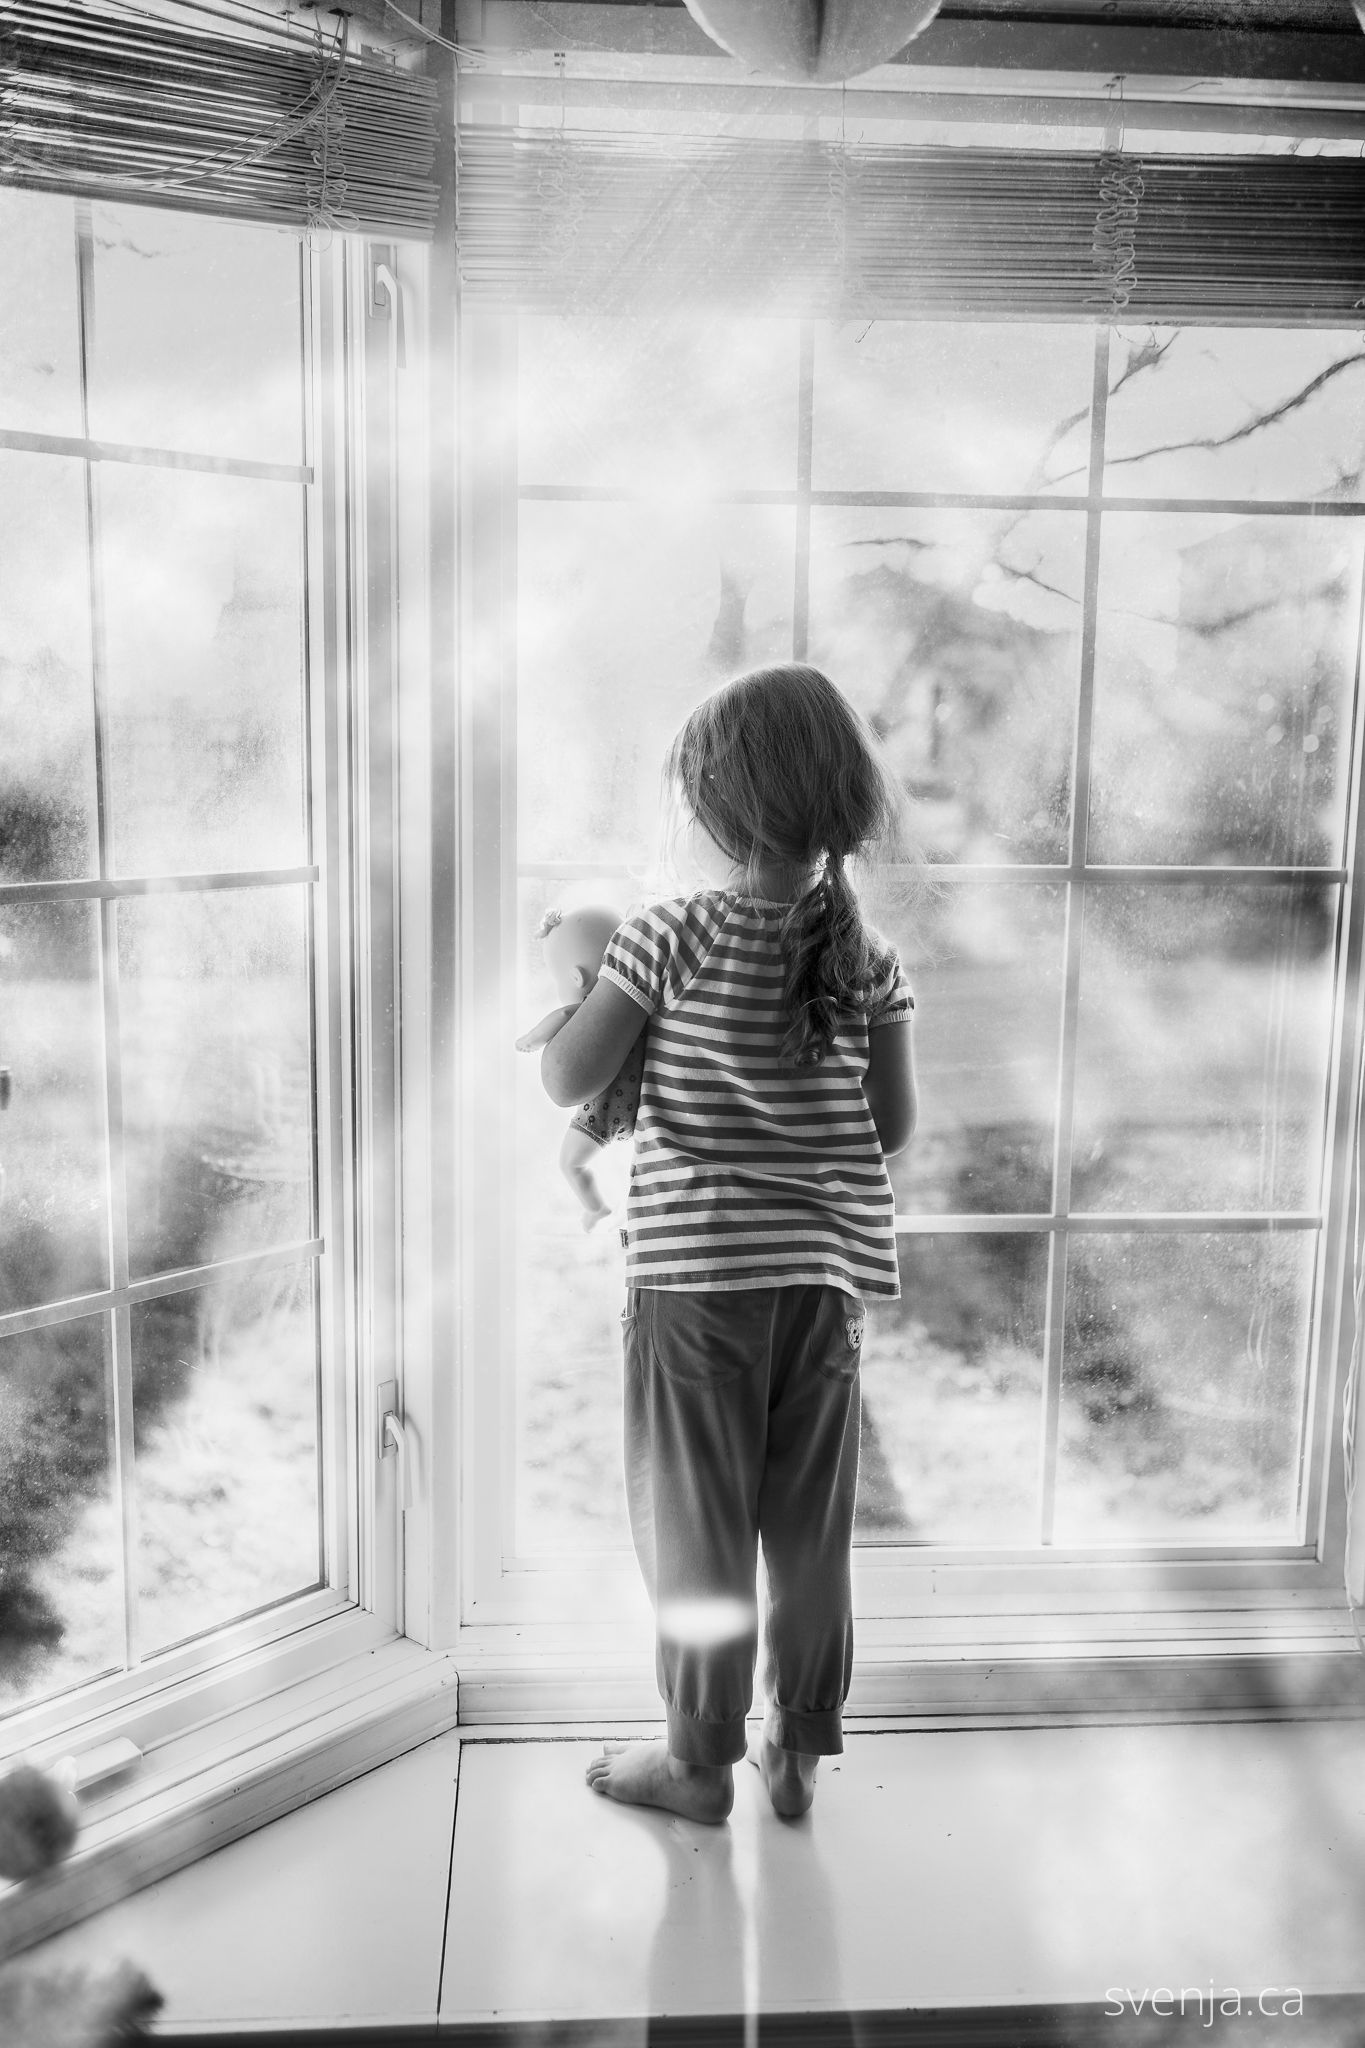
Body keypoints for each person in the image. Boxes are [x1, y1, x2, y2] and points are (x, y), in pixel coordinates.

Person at [537, 664, 918, 1825]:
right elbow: (889, 1125)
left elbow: (569, 1074)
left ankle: (697, 1759)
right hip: (821, 1288)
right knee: (810, 1527)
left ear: (712, 807)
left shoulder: (666, 936)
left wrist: (576, 987)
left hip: (694, 1288)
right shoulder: (869, 957)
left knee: (698, 1527)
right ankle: (798, 1750)